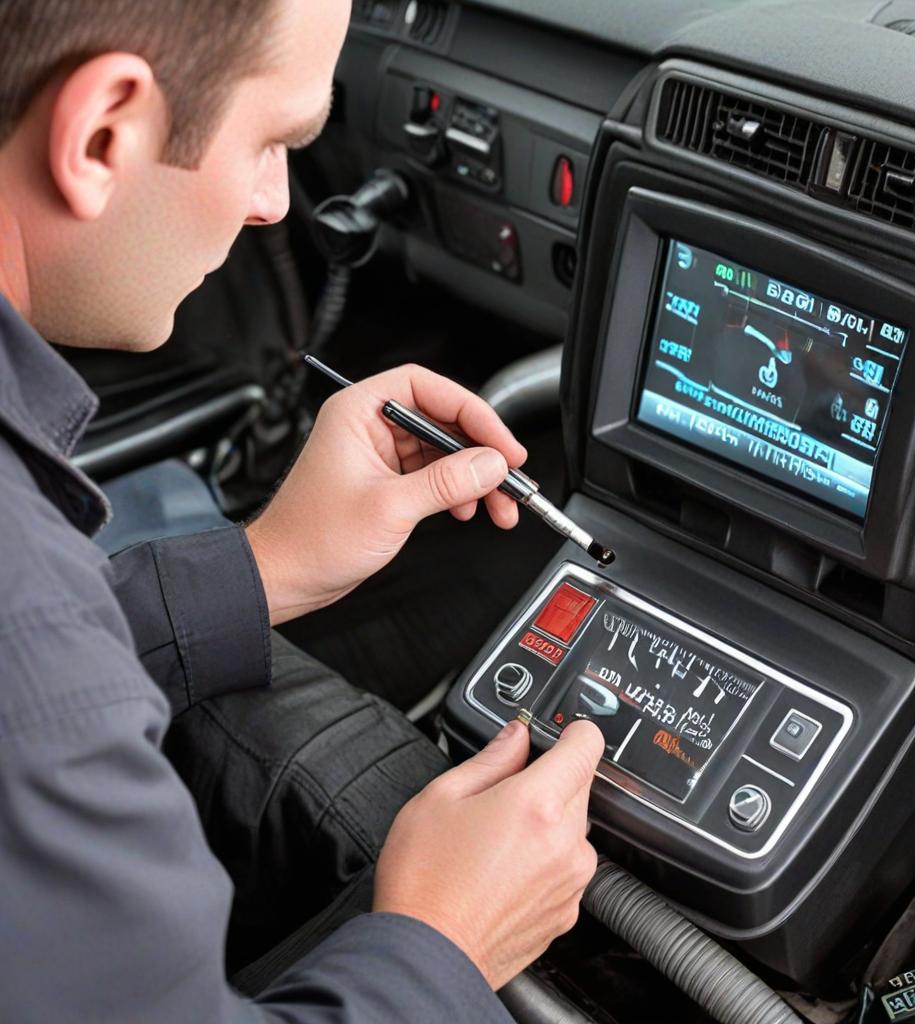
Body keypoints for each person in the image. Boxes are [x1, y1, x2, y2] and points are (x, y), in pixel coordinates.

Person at [0, 1, 605, 1021]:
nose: (277, 201)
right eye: (274, 139)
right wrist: (444, 942)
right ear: (102, 131)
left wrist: (263, 565)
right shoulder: (37, 638)